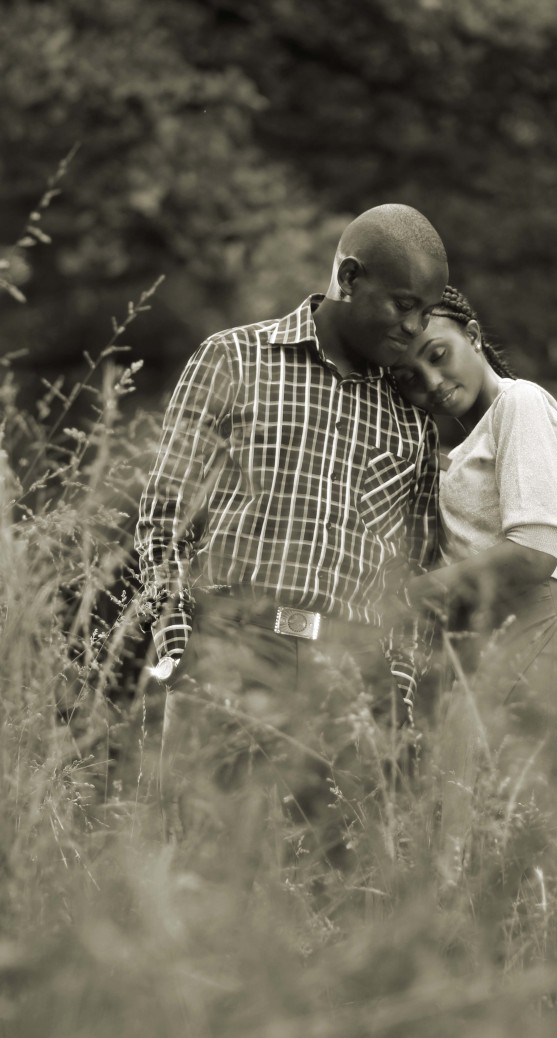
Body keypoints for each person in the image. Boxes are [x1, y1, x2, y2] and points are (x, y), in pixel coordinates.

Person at [135, 204, 449, 840]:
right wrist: (179, 644)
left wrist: (398, 693)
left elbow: (413, 577)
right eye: (403, 304)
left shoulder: (412, 419)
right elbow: (162, 519)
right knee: (208, 874)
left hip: (352, 680)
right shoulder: (232, 360)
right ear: (351, 278)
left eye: (426, 313)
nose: (415, 328)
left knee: (337, 898)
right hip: (233, 652)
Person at [388, 286, 557, 786]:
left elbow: (532, 552)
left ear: (473, 334)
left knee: (517, 834)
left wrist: (409, 595)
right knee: (482, 841)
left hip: (541, 631)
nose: (432, 381)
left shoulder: (520, 402)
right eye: (409, 379)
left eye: (437, 356)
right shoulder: (465, 445)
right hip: (492, 645)